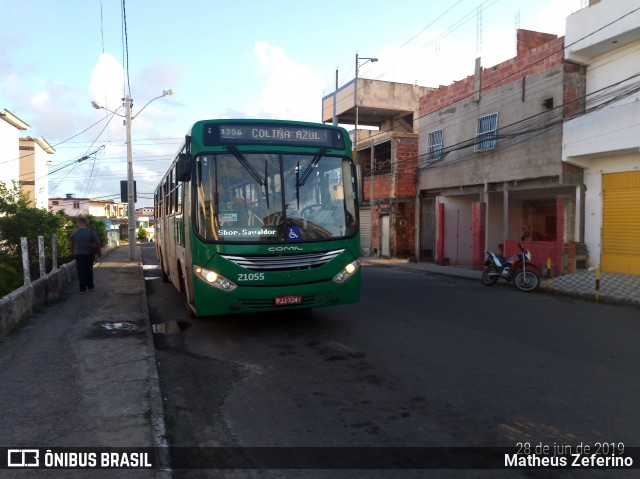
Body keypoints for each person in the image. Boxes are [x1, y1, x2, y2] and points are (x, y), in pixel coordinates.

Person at [70, 216, 100, 294]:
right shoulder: (91, 231)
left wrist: (73, 252)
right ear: (85, 223)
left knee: (81, 271)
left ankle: (82, 289)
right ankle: (90, 286)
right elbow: (97, 242)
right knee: (89, 270)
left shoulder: (75, 232)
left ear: (79, 223)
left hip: (79, 254)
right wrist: (98, 253)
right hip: (89, 254)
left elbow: (72, 243)